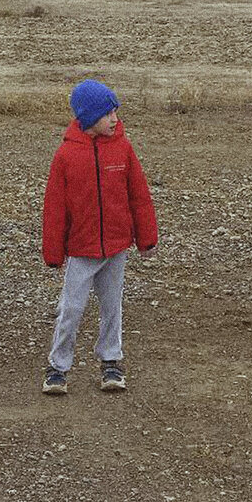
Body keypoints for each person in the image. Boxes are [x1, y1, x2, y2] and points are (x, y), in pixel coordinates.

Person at [41, 79, 158, 394]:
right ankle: (58, 367)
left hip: (116, 247)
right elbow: (54, 207)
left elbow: (139, 195)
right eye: (108, 114)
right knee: (72, 308)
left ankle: (111, 362)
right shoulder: (66, 155)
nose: (115, 119)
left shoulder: (123, 148)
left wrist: (146, 235)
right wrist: (53, 251)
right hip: (81, 250)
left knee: (112, 306)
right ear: (88, 117)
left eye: (115, 112)